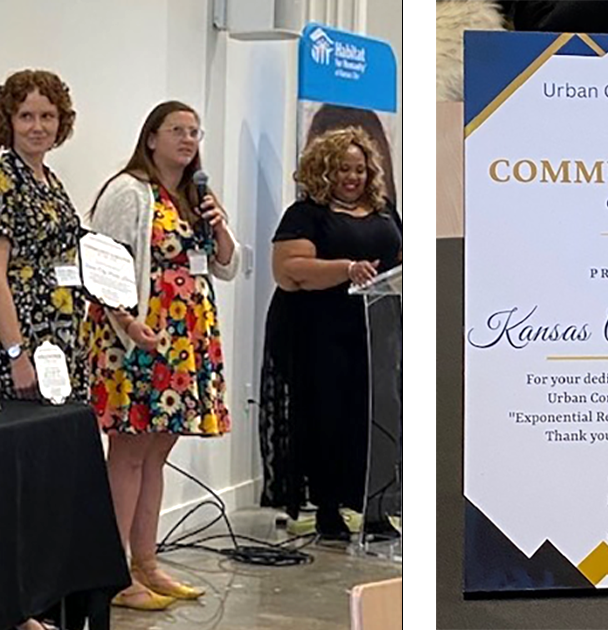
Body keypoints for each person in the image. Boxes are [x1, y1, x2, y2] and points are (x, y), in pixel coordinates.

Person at [81, 101, 240, 611]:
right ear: (151, 138)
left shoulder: (196, 196)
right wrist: (128, 323)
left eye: (195, 131)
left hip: (184, 341)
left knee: (156, 453)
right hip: (135, 337)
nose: (188, 139)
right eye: (177, 130)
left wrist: (218, 226)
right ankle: (109, 571)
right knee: (128, 454)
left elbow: (227, 266)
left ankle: (145, 563)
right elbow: (99, 266)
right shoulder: (129, 191)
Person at [260, 127, 402, 541]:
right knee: (325, 416)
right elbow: (289, 270)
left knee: (376, 413)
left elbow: (395, 259)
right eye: (343, 168)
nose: (353, 177)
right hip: (316, 329)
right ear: (324, 170)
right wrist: (345, 269)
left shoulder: (383, 209)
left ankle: (373, 505)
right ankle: (327, 508)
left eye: (360, 169)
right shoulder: (305, 215)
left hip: (374, 332)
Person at [0, 70, 86, 412]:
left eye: (47, 116)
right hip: (19, 341)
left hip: (61, 333)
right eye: (26, 116)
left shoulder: (51, 182)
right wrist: (16, 354)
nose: (38, 127)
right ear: (9, 122)